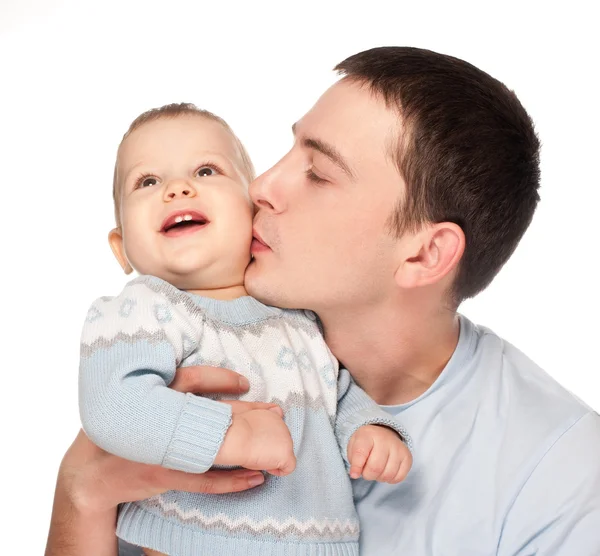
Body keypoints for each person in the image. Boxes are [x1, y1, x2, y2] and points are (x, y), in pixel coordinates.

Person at [46, 46, 600, 556]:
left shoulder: (561, 477)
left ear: (424, 255)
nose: (261, 185)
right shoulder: (178, 350)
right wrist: (80, 496)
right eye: (288, 149)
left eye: (318, 172)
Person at [75, 103, 411, 556]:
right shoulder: (143, 309)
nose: (177, 189)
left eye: (207, 170)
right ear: (121, 248)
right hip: (193, 538)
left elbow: (336, 389)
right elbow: (113, 405)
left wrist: (367, 429)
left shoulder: (297, 315)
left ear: (253, 212)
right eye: (147, 181)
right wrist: (229, 436)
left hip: (317, 542)